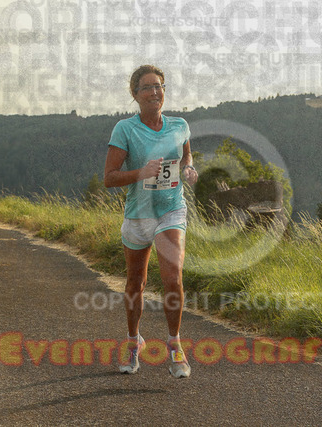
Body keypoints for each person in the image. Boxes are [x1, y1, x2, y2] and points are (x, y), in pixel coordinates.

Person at [104, 65, 198, 378]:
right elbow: (109, 178)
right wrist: (140, 173)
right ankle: (134, 341)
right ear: (135, 94)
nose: (154, 92)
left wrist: (188, 169)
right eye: (147, 87)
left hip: (171, 209)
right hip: (138, 214)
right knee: (136, 283)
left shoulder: (180, 125)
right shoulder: (125, 130)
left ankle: (175, 344)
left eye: (159, 86)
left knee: (172, 278)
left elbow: (186, 155)